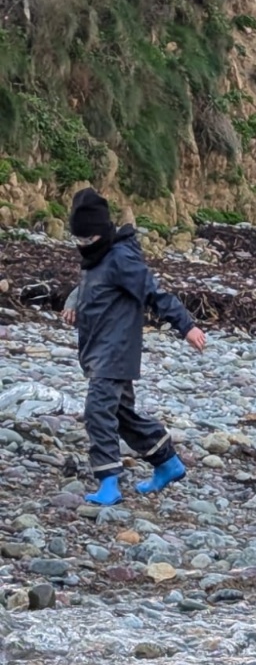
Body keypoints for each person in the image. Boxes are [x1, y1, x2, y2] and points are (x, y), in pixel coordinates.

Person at [62, 187, 206, 506]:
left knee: (97, 412)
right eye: (78, 239)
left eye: (87, 239)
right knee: (122, 413)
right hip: (99, 349)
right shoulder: (96, 256)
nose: (82, 245)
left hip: (114, 352)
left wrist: (187, 326)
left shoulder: (121, 258)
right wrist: (74, 302)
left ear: (101, 232)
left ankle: (108, 483)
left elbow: (154, 293)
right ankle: (167, 463)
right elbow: (89, 284)